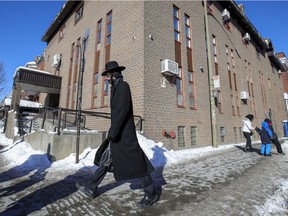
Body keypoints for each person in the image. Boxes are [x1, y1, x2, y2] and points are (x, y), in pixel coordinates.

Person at [76, 61, 158, 208]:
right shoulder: (117, 87)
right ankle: (91, 187)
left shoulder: (123, 87)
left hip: (124, 135)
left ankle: (151, 193)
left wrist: (113, 132)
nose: (106, 79)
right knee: (106, 158)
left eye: (108, 75)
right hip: (118, 133)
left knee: (137, 164)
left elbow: (121, 111)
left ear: (113, 74)